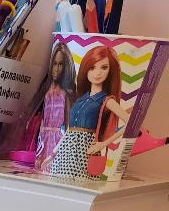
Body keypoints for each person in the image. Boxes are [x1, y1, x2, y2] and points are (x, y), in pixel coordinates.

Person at [50, 45, 128, 179]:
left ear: (110, 71)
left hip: (85, 149)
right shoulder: (81, 99)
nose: (97, 73)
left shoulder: (106, 100)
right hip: (65, 150)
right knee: (57, 180)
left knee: (80, 183)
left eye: (104, 67)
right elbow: (69, 130)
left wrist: (103, 144)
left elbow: (129, 122)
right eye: (92, 67)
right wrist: (54, 151)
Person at [34, 42, 77, 171]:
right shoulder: (47, 90)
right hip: (43, 139)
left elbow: (69, 126)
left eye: (61, 64)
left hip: (58, 140)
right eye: (54, 64)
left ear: (66, 66)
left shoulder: (66, 93)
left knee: (52, 171)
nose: (56, 69)